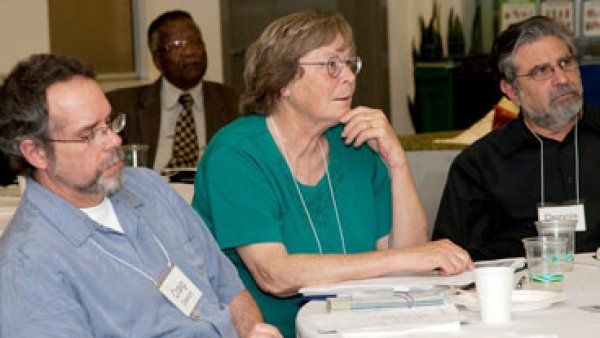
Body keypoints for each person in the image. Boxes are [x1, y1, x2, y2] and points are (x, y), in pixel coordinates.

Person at [192, 11, 473, 337]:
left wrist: (397, 161)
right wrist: (402, 259)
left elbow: (409, 255)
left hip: (366, 325)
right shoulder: (237, 153)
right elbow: (276, 275)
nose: (349, 77)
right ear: (282, 82)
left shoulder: (352, 144)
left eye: (350, 64)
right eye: (331, 65)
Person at [0, 54, 281, 338]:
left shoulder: (147, 187)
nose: (114, 140)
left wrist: (252, 332)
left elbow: (230, 289)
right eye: (88, 134)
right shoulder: (28, 264)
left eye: (109, 123)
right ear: (36, 152)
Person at [433, 16, 600, 260]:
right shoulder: (479, 167)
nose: (562, 79)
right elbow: (449, 261)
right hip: (521, 293)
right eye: (542, 71)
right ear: (511, 91)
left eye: (565, 63)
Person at [107, 10, 240, 171]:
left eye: (195, 42)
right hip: (153, 191)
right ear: (157, 60)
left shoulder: (235, 103)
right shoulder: (122, 106)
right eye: (176, 45)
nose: (190, 51)